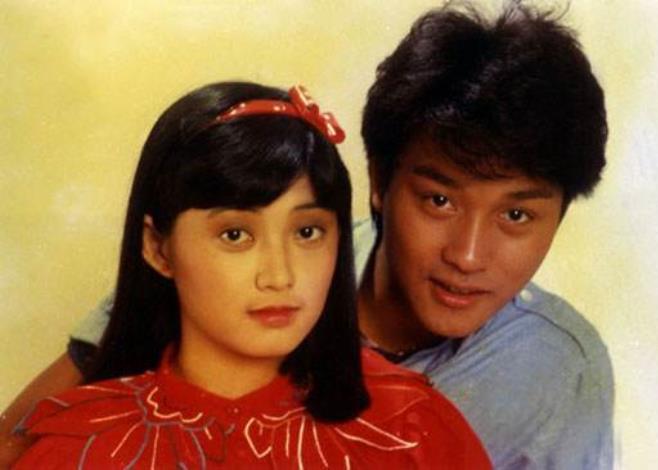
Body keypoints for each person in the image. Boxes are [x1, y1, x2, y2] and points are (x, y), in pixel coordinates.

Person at [2, 3, 614, 468]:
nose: (468, 255)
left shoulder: (553, 373)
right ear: (379, 183)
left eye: (516, 216)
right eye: (438, 200)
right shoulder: (206, 289)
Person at [9, 82, 491, 468]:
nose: (279, 276)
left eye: (307, 232)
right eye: (236, 235)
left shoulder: (412, 429)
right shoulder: (79, 448)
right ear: (158, 248)